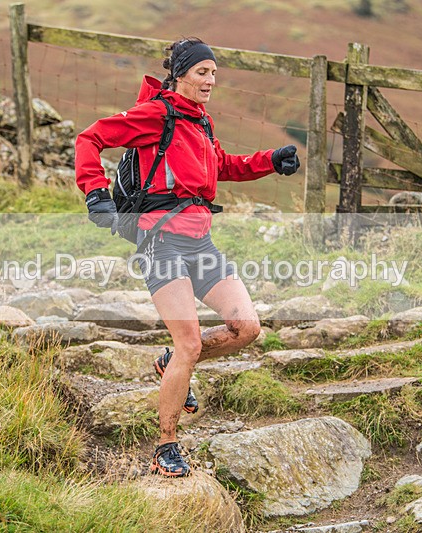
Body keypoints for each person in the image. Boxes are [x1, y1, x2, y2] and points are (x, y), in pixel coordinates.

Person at [75, 37, 300, 478]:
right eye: (202, 72)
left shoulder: (201, 122)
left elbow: (223, 167)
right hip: (161, 243)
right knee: (191, 343)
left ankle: (171, 361)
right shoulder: (157, 114)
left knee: (246, 328)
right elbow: (91, 137)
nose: (210, 80)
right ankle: (166, 444)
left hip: (201, 244)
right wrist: (94, 191)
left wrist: (270, 159)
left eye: (214, 73)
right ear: (180, 74)